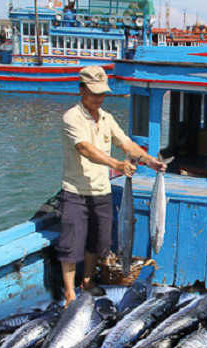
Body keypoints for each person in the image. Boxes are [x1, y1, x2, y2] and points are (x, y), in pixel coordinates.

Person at [58, 66, 165, 306]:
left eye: (102, 93)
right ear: (81, 89)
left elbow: (126, 142)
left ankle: (87, 280)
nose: (98, 98)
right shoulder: (71, 117)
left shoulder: (107, 118)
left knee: (98, 241)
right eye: (93, 92)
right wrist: (116, 163)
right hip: (75, 191)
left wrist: (149, 161)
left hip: (101, 191)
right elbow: (85, 148)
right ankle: (69, 293)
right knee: (70, 244)